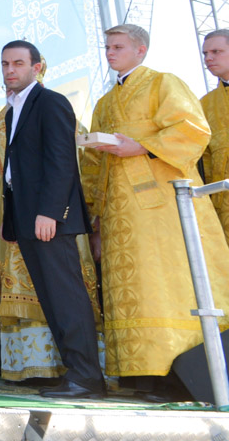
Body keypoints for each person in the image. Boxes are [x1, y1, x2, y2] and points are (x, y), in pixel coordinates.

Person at [85, 23, 229, 399]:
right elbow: (93, 165)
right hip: (120, 214)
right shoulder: (103, 104)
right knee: (131, 290)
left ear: (140, 50)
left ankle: (176, 376)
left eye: (118, 47)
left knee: (166, 286)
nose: (110, 53)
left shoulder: (164, 83)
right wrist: (95, 214)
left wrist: (141, 146)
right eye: (107, 47)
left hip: (164, 208)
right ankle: (139, 375)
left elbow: (193, 129)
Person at [0, 41, 103, 397]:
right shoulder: (12, 110)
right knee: (52, 299)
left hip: (48, 217)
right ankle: (76, 372)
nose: (10, 70)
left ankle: (88, 377)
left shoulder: (51, 102)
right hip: (26, 216)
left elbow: (62, 162)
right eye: (5, 64)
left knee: (66, 296)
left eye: (18, 63)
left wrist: (50, 212)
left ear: (37, 67)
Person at [198, 29, 229, 238]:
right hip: (223, 200)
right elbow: (204, 158)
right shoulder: (204, 104)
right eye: (205, 53)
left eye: (216, 51)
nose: (209, 58)